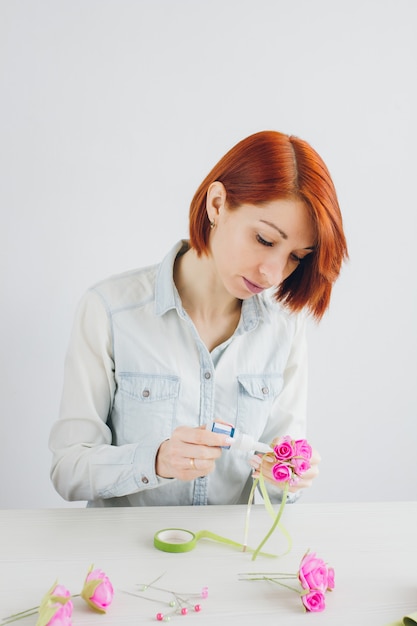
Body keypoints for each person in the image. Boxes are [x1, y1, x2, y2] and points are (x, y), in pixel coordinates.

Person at [49, 130, 348, 507]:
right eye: (266, 240)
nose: (273, 273)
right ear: (218, 204)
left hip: (229, 563)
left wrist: (286, 476)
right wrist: (155, 460)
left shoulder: (284, 330)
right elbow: (68, 470)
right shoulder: (109, 310)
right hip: (126, 559)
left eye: (296, 257)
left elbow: (274, 491)